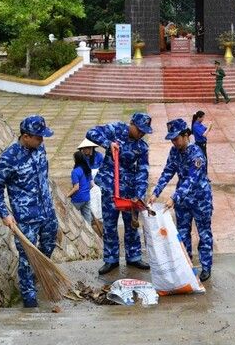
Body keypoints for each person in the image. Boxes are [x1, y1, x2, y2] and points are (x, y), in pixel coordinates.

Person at [0, 115, 57, 308]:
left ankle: (39, 276)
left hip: (47, 212)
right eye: (38, 137)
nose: (42, 140)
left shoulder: (39, 149)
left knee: (48, 248)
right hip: (26, 218)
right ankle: (29, 297)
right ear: (26, 137)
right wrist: (5, 213)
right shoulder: (8, 159)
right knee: (27, 258)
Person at [86, 112, 153, 275]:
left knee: (131, 225)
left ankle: (134, 257)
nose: (141, 134)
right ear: (131, 124)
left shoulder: (142, 147)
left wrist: (139, 193)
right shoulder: (115, 129)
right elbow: (91, 133)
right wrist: (108, 143)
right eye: (139, 130)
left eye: (144, 131)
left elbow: (143, 171)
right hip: (110, 187)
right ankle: (111, 259)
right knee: (109, 225)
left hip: (129, 191)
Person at [148, 118, 213, 282]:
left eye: (176, 138)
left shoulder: (197, 154)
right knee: (183, 235)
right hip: (183, 203)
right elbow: (167, 172)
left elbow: (192, 180)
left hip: (200, 200)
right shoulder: (174, 152)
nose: (174, 142)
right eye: (171, 139)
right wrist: (155, 192)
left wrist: (173, 198)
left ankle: (206, 267)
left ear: (185, 135)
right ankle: (187, 264)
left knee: (204, 234)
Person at [77, 138, 104, 225]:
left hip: (98, 178)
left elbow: (103, 170)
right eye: (83, 149)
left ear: (91, 148)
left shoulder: (99, 156)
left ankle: (100, 214)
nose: (85, 150)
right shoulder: (82, 159)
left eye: (87, 148)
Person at [67, 151, 93, 224]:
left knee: (70, 216)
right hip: (87, 197)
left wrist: (67, 195)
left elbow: (76, 187)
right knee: (88, 220)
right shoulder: (87, 170)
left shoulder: (75, 172)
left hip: (78, 199)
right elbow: (91, 184)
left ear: (76, 159)